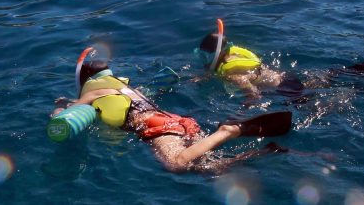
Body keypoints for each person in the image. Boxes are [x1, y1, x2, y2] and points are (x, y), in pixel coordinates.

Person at [52, 52, 293, 173]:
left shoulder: (92, 93)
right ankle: (263, 152)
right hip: (178, 122)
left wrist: (59, 109)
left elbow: (69, 115)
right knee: (205, 168)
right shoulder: (126, 88)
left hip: (158, 129)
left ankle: (228, 131)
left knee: (176, 164)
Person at [195, 19, 364, 102]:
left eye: (206, 56)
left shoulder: (231, 74)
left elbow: (253, 93)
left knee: (314, 99)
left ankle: (358, 90)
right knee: (316, 84)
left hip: (283, 89)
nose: (204, 60)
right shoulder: (232, 55)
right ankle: (352, 71)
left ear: (216, 55)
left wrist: (246, 107)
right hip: (284, 77)